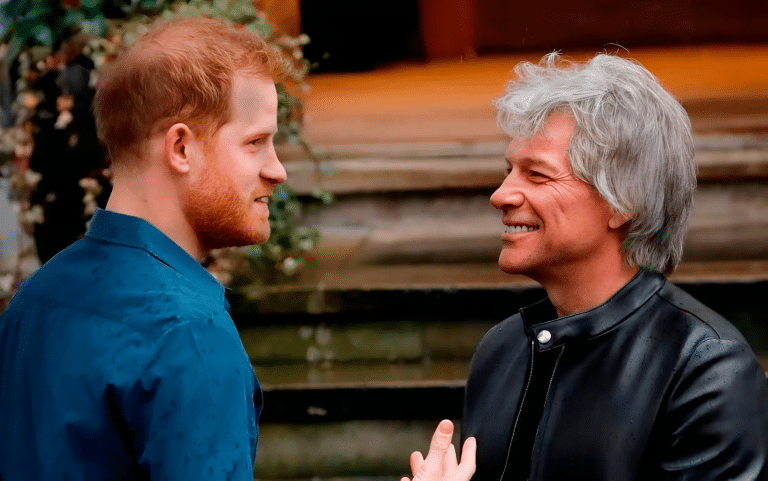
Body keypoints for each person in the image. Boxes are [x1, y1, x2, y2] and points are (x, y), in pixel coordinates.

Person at [0, 17, 475, 480]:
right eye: (256, 143)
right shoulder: (187, 333)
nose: (277, 170)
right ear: (181, 148)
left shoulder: (36, 297)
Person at [461, 53, 768, 480]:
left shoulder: (705, 370)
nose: (501, 194)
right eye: (510, 170)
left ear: (622, 203)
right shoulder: (502, 350)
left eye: (537, 175)